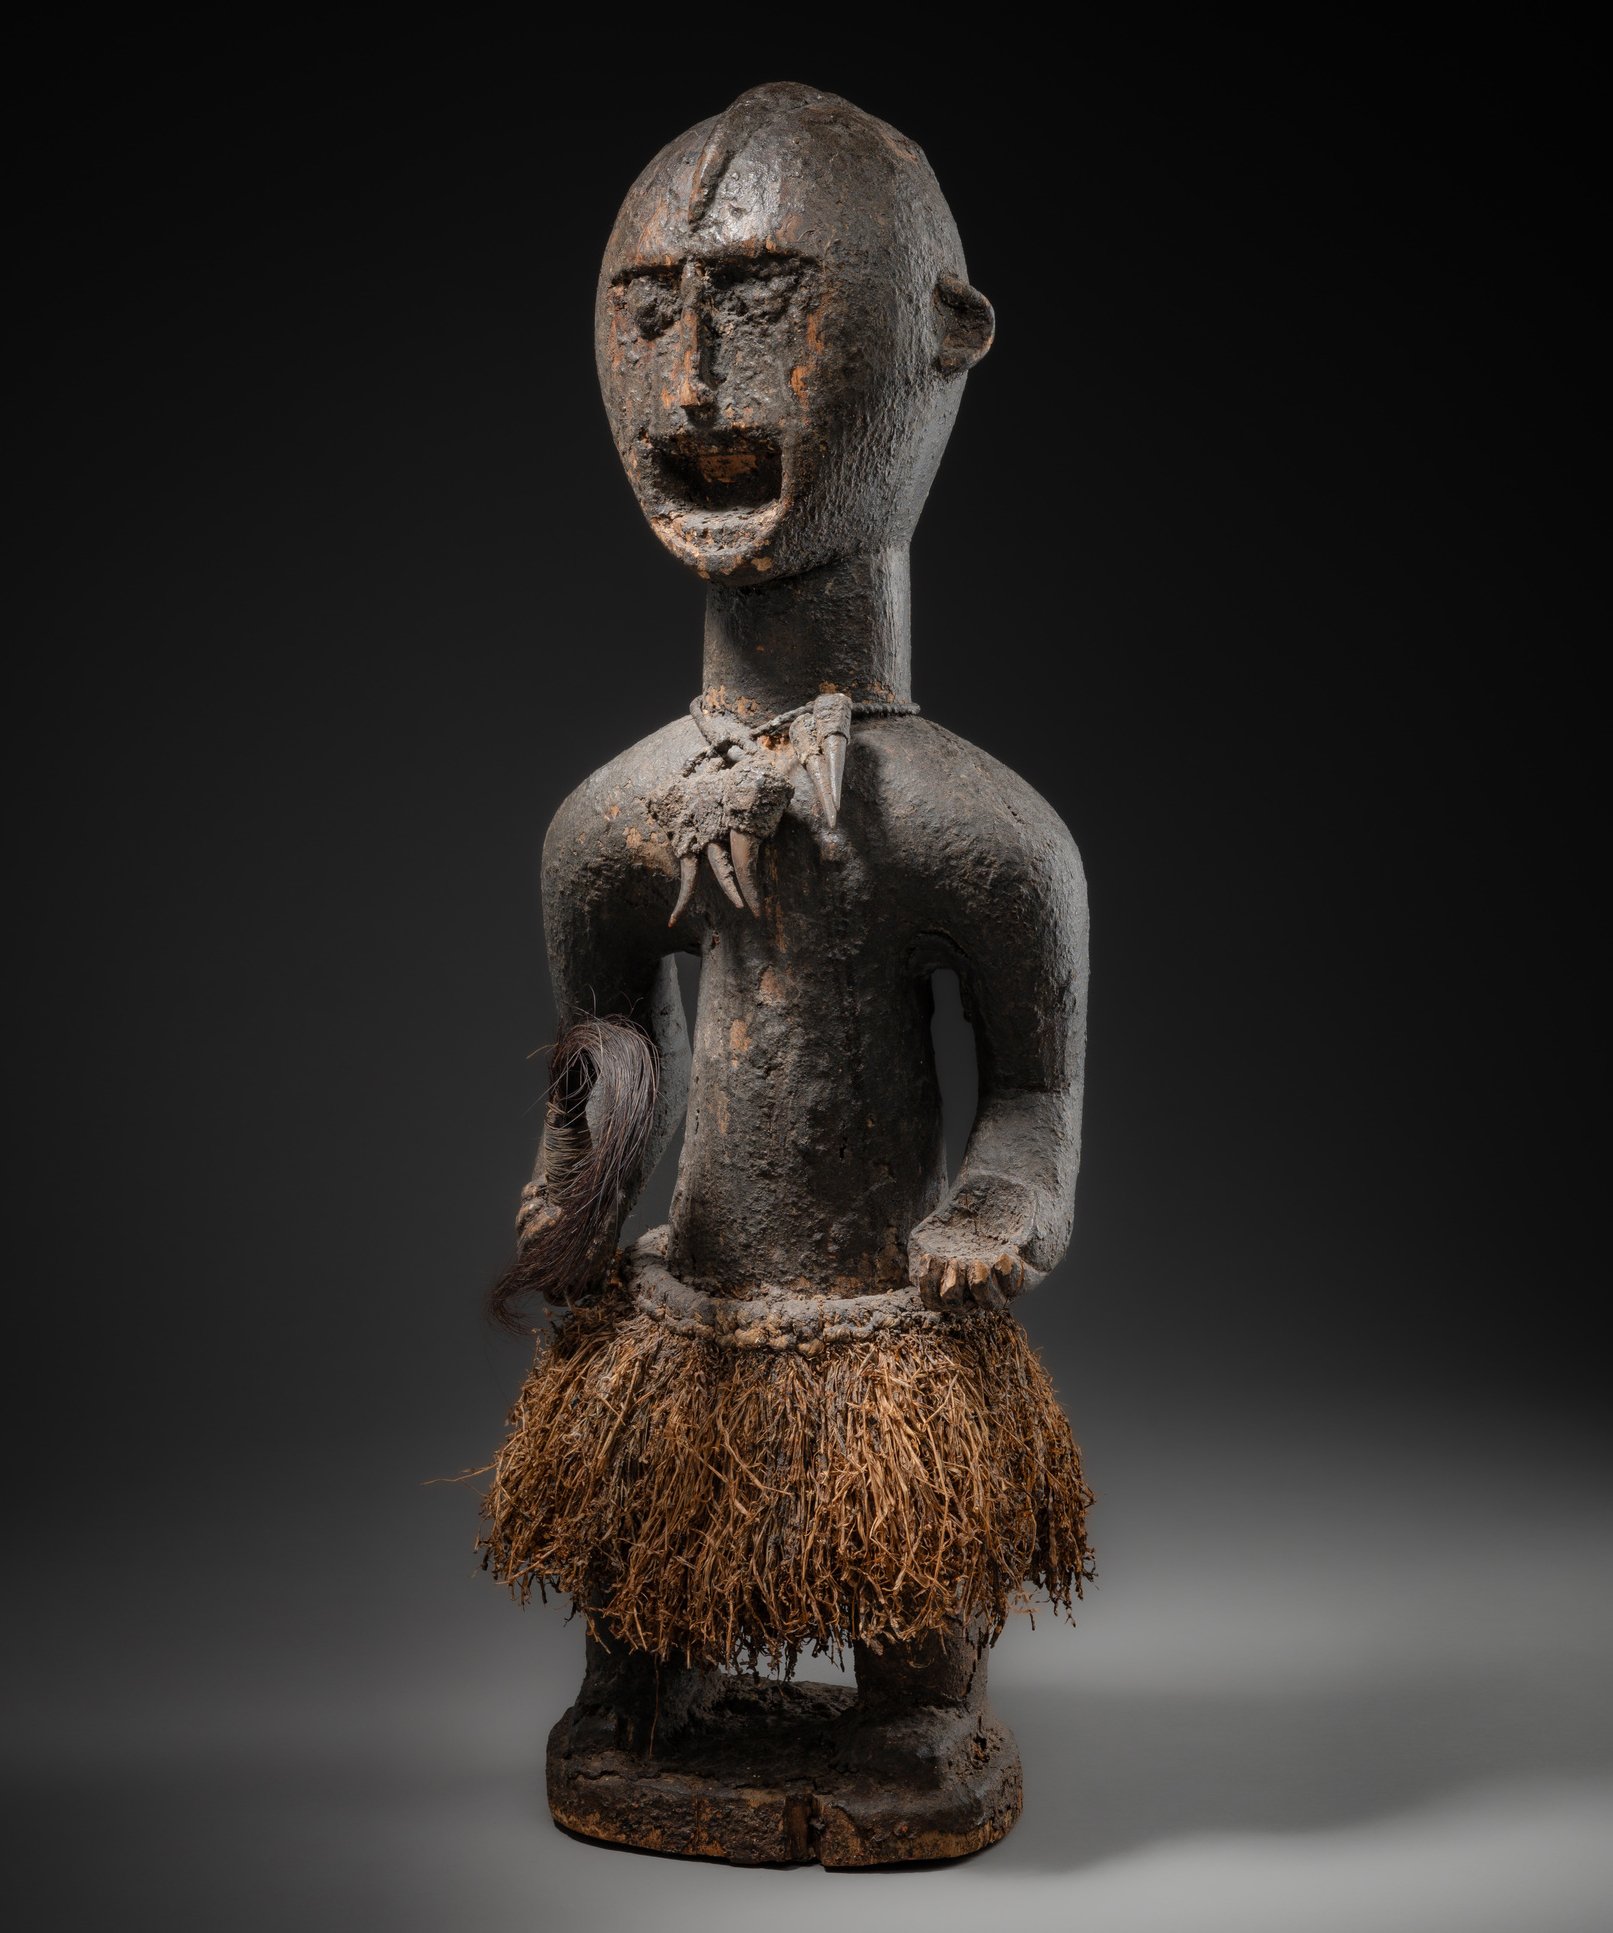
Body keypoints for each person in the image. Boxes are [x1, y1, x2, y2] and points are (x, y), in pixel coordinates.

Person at [480, 81, 1094, 1866]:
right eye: (643, 313)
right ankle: (644, 1686)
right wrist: (568, 1207)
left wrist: (998, 1209)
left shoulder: (982, 833)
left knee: (914, 1632)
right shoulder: (613, 824)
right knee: (641, 1611)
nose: (688, 389)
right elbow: (603, 1062)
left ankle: (914, 1703)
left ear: (943, 341)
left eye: (756, 306)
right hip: (695, 1309)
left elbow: (1036, 1096)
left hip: (887, 1330)